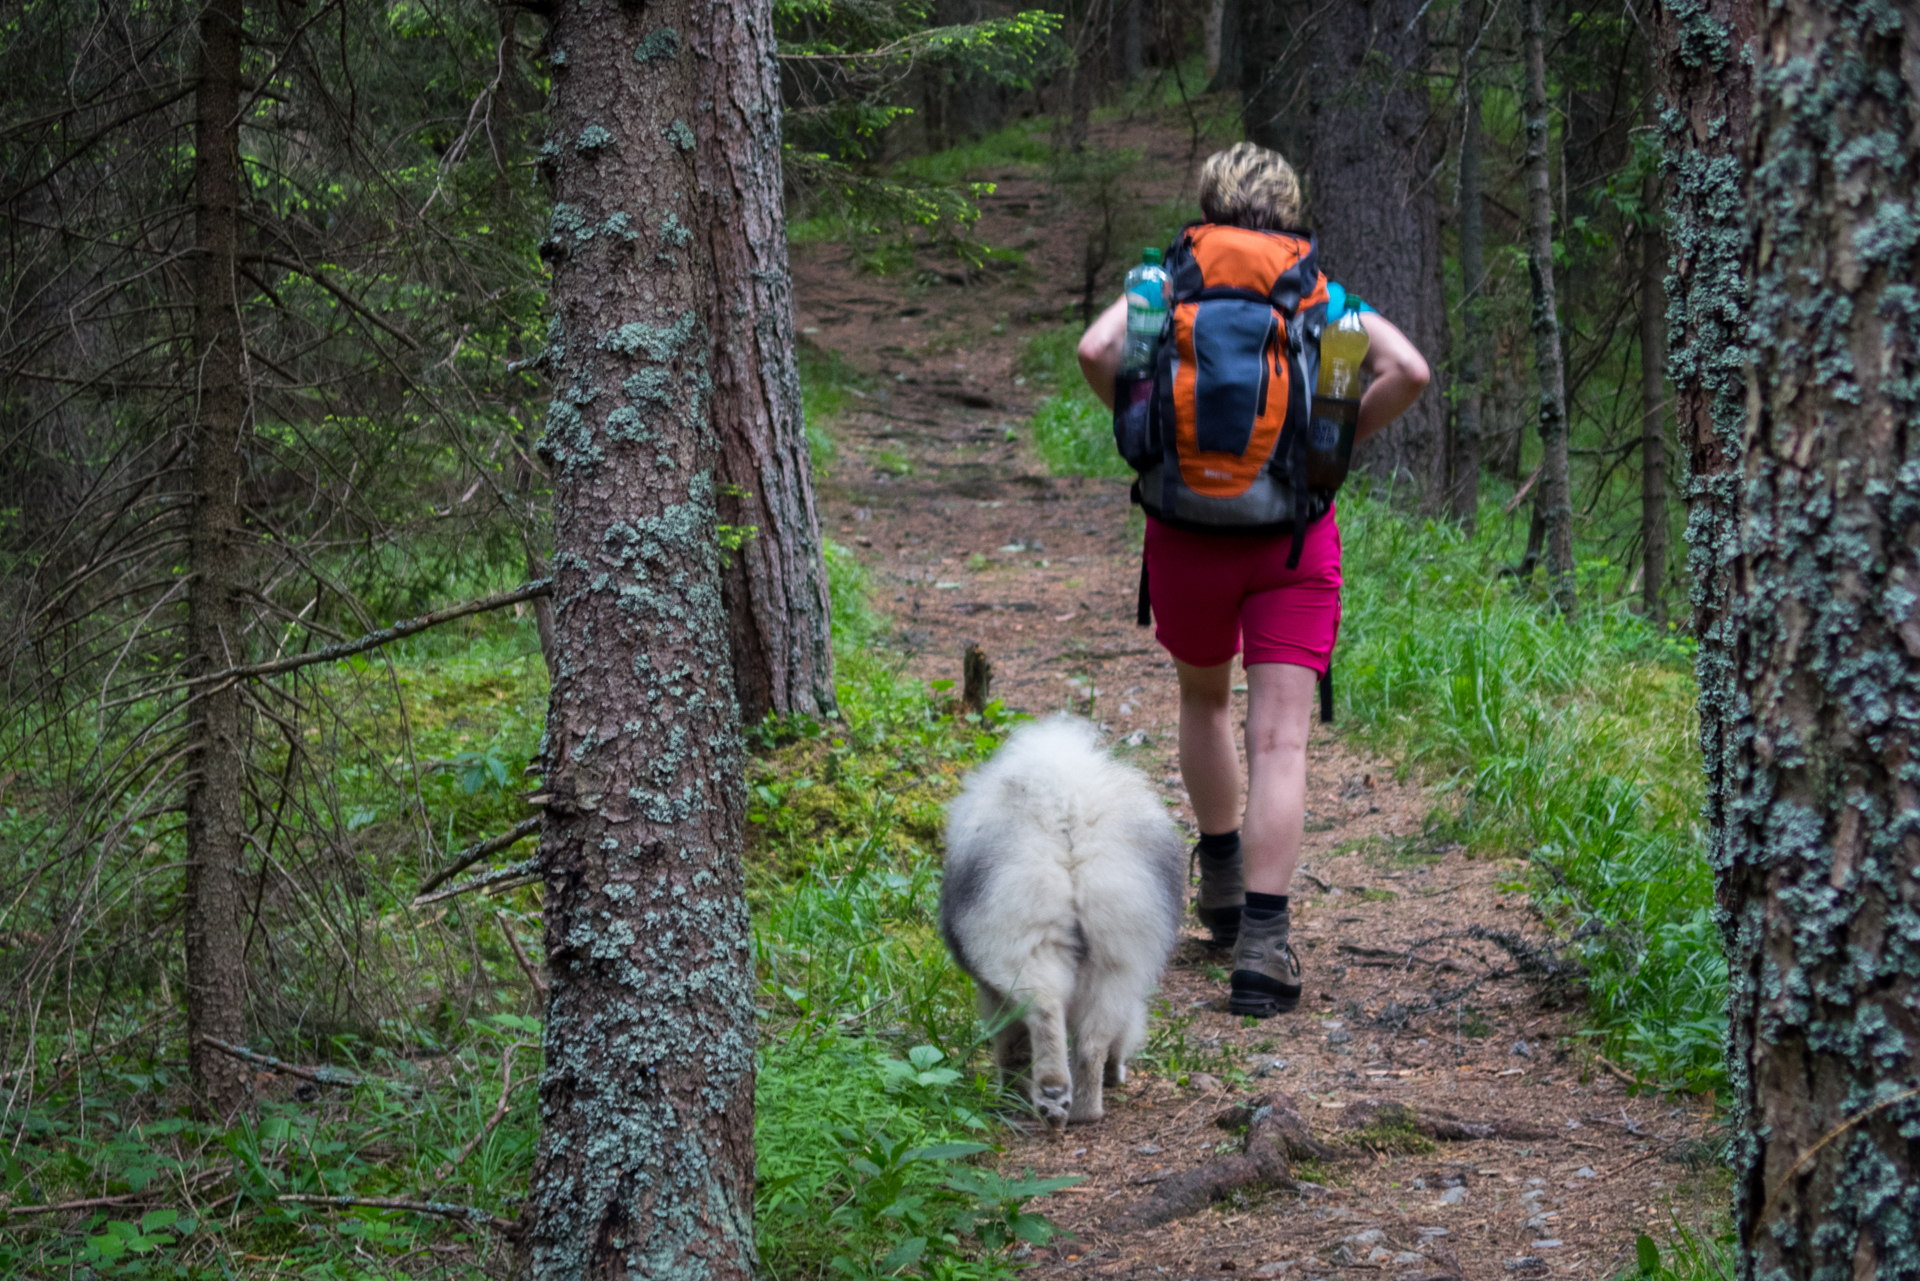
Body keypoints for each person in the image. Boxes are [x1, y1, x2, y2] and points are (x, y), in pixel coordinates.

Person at [1074, 142, 1430, 1018]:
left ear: (1206, 204)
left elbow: (1095, 349)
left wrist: (1141, 428)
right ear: (1287, 208)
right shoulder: (1319, 295)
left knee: (1204, 702)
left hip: (1184, 530)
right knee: (1281, 741)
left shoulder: (1163, 287)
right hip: (1293, 540)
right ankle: (1265, 949)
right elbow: (1409, 371)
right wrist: (1337, 449)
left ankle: (1222, 882)